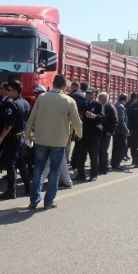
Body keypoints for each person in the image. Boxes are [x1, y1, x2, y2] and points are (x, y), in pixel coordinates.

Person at [25, 74, 82, 209]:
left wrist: (28, 135)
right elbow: (77, 123)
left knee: (38, 170)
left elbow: (31, 118)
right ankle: (49, 201)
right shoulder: (69, 101)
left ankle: (34, 200)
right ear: (64, 86)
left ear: (53, 83)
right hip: (59, 142)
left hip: (41, 139)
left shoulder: (42, 98)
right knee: (54, 172)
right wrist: (79, 135)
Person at [0, 80, 31, 200]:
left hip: (13, 138)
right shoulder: (25, 103)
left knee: (10, 164)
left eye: (9, 90)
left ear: (15, 91)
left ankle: (11, 191)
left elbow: (9, 125)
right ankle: (29, 187)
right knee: (20, 163)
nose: (7, 92)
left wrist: (0, 138)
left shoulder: (13, 105)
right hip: (21, 137)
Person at [75, 87, 104, 182]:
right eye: (87, 93)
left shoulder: (98, 105)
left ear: (94, 95)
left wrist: (93, 116)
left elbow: (102, 117)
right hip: (83, 133)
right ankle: (80, 174)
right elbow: (78, 115)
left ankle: (93, 174)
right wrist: (80, 116)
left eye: (90, 94)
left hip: (94, 133)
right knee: (80, 155)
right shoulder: (82, 104)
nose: (88, 95)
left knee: (93, 155)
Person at [98, 92, 118, 174]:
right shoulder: (100, 106)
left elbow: (115, 121)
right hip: (100, 132)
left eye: (100, 98)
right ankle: (101, 166)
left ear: (105, 98)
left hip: (107, 132)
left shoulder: (110, 107)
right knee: (99, 149)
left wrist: (110, 131)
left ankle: (105, 167)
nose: (99, 99)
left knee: (103, 150)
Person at [111, 93, 130, 169]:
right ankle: (116, 164)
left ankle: (114, 163)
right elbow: (121, 121)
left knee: (116, 147)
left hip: (116, 130)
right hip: (120, 130)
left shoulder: (116, 104)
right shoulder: (121, 106)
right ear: (125, 99)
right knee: (122, 147)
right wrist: (126, 130)